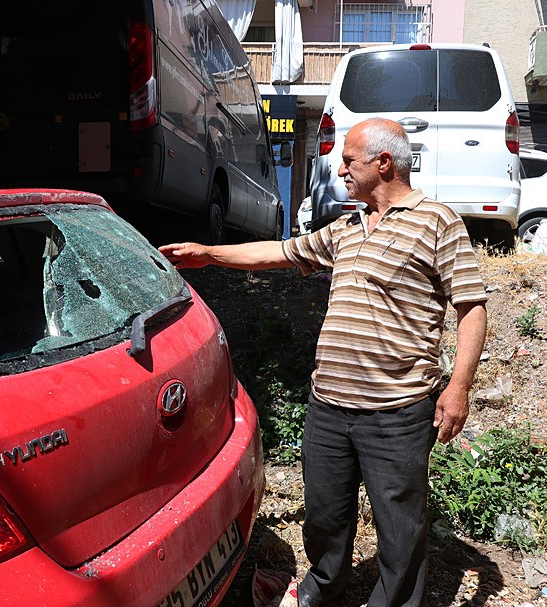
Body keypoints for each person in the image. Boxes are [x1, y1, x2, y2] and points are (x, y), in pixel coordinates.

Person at [159, 117, 487, 607]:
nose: (341, 168)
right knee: (325, 516)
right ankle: (325, 587)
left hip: (396, 414)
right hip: (328, 407)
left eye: (349, 160)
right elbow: (281, 252)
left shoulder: (437, 221)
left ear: (384, 163)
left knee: (400, 528)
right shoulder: (347, 227)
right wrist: (209, 254)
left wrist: (458, 386)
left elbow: (471, 307)